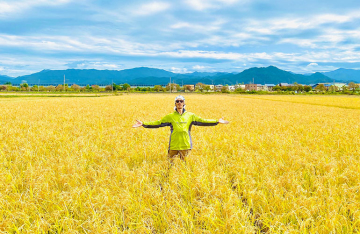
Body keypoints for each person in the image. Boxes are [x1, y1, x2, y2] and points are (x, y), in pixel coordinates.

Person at [132, 95, 229, 162]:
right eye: (177, 101)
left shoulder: (190, 116)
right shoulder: (170, 116)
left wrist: (217, 121)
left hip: (185, 145)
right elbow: (158, 123)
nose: (179, 103)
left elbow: (203, 121)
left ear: (184, 103)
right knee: (169, 166)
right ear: (175, 103)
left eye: (181, 101)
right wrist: (143, 124)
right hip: (173, 146)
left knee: (185, 167)